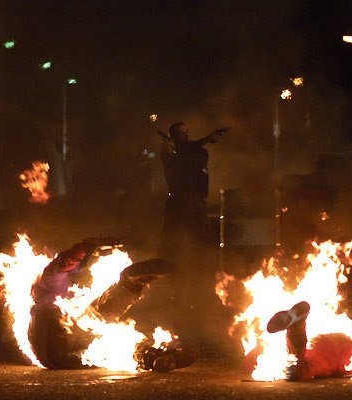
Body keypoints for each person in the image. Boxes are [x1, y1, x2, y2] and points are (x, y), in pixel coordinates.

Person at [28, 238, 198, 371]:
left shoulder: (58, 299)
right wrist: (74, 254)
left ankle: (153, 358)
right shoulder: (51, 286)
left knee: (111, 347)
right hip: (57, 334)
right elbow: (57, 268)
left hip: (60, 360)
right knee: (99, 313)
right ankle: (129, 285)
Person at [158, 122, 225, 262]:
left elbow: (192, 153)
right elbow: (184, 160)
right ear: (175, 137)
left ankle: (200, 277)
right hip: (178, 205)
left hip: (196, 204)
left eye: (186, 132)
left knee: (202, 245)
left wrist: (206, 139)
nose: (187, 135)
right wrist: (204, 140)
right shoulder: (170, 155)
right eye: (182, 133)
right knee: (169, 246)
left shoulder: (195, 152)